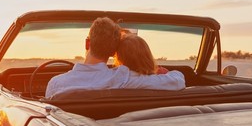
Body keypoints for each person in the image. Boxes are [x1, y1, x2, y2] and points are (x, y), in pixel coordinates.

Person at [45, 17, 185, 99]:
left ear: (88, 43)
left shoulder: (56, 84)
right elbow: (177, 81)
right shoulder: (122, 78)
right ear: (113, 52)